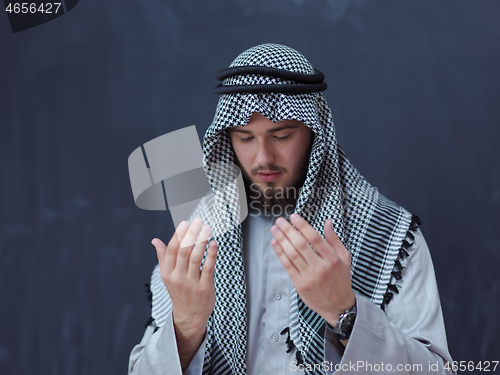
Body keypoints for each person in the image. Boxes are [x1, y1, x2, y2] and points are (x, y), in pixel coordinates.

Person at [128, 44, 454, 374]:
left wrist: (345, 312)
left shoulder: (386, 234)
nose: (263, 157)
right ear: (226, 140)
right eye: (245, 138)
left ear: (315, 134)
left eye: (281, 135)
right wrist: (186, 327)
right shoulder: (199, 233)